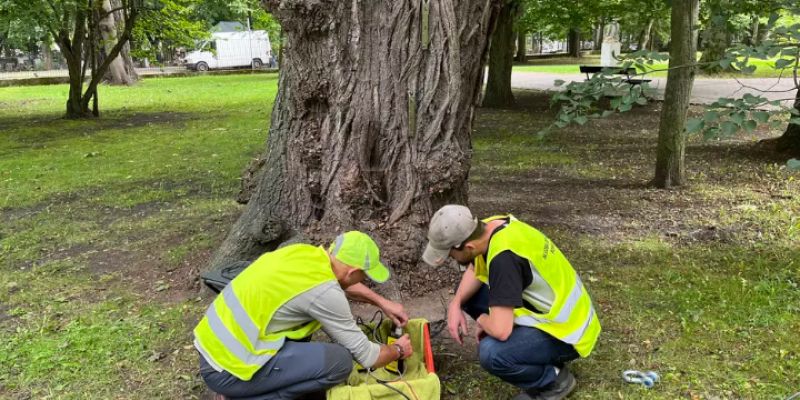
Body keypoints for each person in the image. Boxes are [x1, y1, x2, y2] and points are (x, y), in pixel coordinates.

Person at [194, 231, 413, 400]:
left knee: (306, 334)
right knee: (340, 362)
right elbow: (368, 357)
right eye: (364, 276)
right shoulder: (325, 292)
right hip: (228, 371)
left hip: (213, 348)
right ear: (353, 272)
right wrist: (398, 350)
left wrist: (382, 302)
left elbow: (335, 284)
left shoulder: (306, 255)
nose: (362, 281)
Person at [422, 205, 601, 400]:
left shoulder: (503, 259)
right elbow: (475, 269)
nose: (450, 258)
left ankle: (554, 381)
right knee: (466, 294)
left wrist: (483, 320)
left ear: (469, 246)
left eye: (451, 254)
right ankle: (524, 346)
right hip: (552, 314)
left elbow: (501, 330)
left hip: (568, 332)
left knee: (492, 353)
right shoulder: (490, 227)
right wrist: (455, 304)